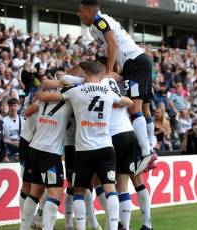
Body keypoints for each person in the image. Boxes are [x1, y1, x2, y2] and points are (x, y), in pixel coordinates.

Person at [37, 61, 133, 230]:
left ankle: (80, 227)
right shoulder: (109, 92)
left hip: (83, 149)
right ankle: (113, 226)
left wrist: (75, 82)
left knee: (79, 190)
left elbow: (45, 95)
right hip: (105, 147)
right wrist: (116, 101)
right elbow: (129, 102)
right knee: (110, 188)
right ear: (102, 75)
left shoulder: (76, 90)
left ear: (85, 74)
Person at [78, 0, 155, 174]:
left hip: (134, 62)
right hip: (135, 63)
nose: (79, 14)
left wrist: (108, 72)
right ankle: (150, 145)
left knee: (135, 109)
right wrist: (116, 71)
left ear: (90, 11)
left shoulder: (100, 20)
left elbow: (112, 44)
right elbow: (111, 48)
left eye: (81, 10)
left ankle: (146, 152)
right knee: (144, 107)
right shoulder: (94, 28)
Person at [19, 80, 73, 230]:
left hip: (34, 147)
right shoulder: (70, 100)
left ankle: (24, 228)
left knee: (35, 192)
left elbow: (27, 111)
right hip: (49, 152)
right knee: (55, 193)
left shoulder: (44, 98)